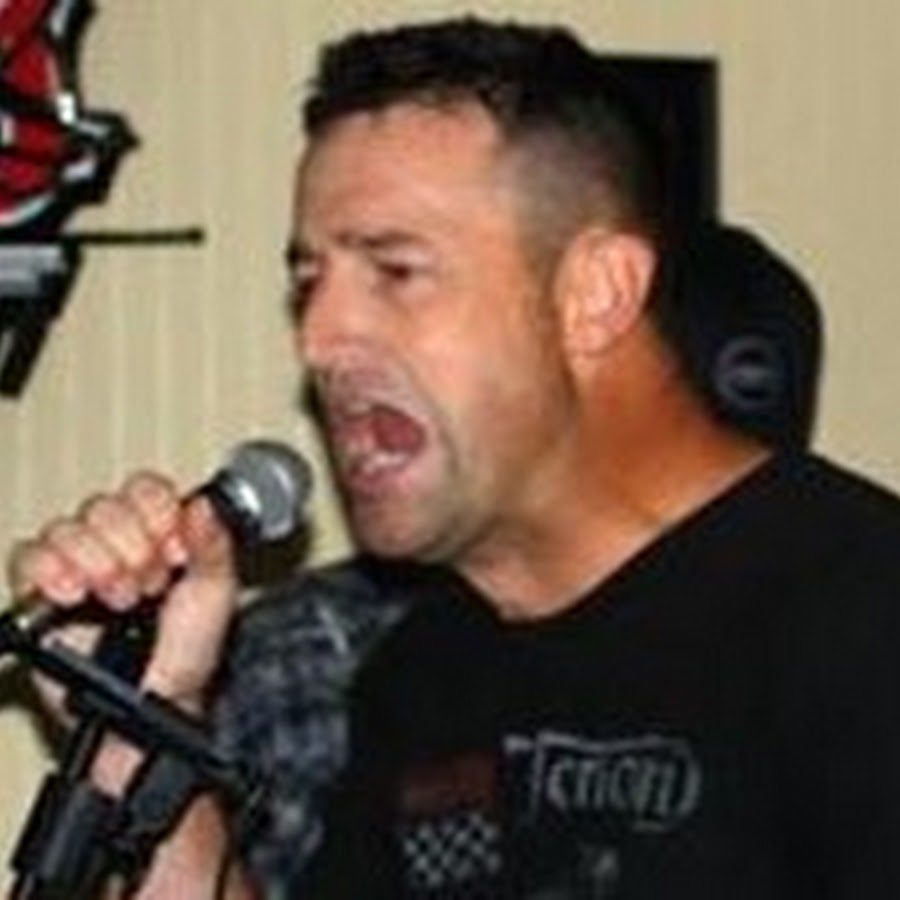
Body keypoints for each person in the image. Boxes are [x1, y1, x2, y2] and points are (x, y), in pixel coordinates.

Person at [7, 16, 900, 899]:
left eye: (395, 271)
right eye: (309, 283)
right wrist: (140, 718)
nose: (320, 339)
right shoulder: (427, 668)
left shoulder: (860, 616)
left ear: (595, 294)